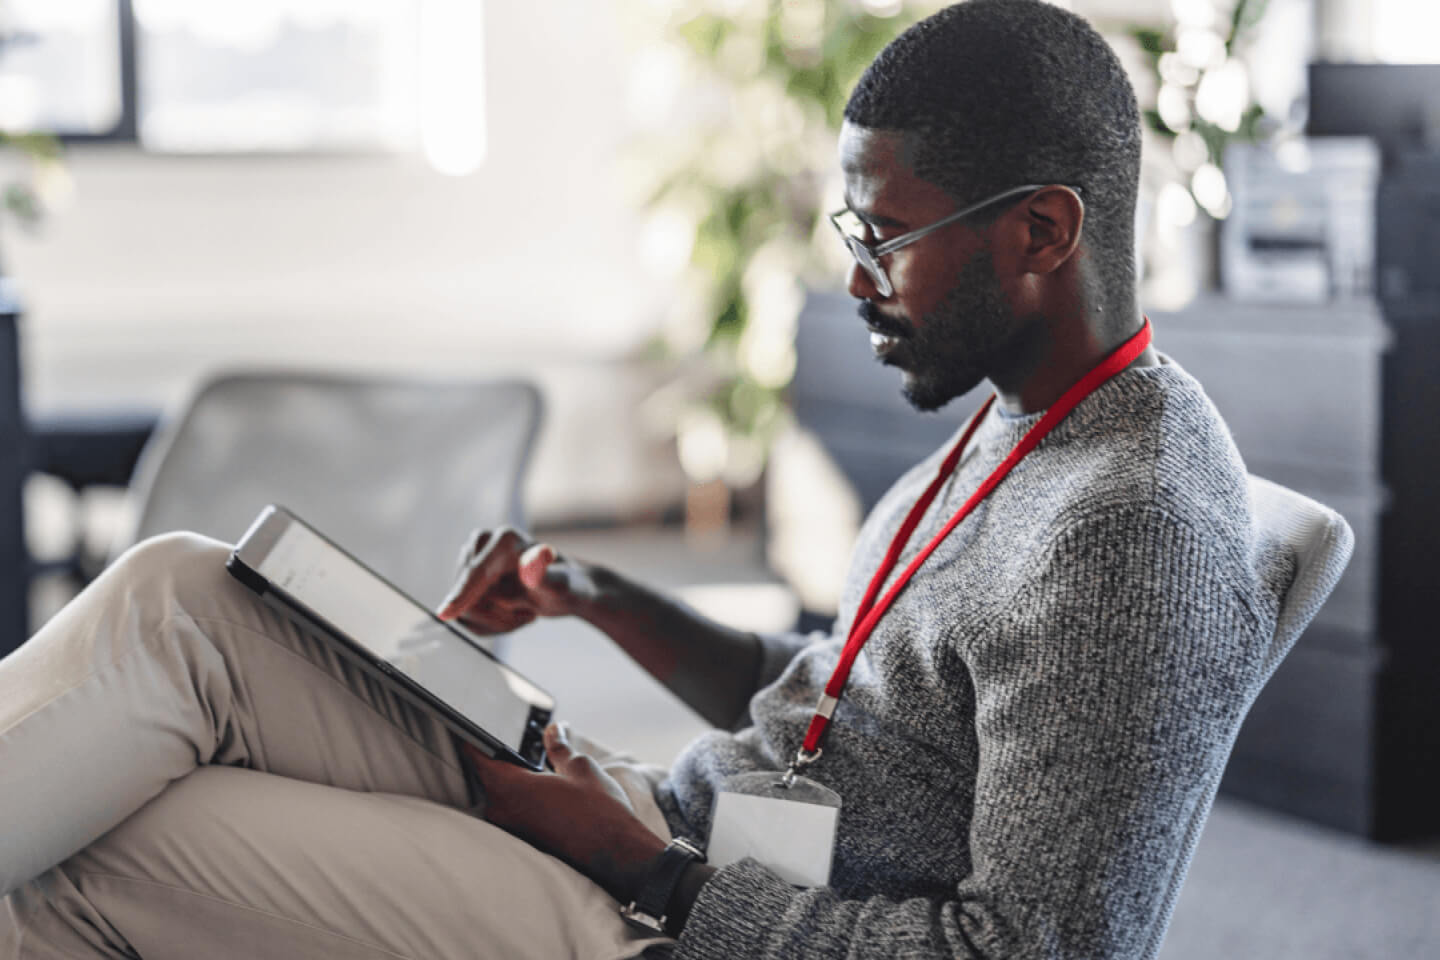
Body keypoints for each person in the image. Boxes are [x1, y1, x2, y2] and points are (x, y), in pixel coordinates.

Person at [0, 2, 1302, 958]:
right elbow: (850, 710)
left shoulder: (1129, 529)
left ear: (1042, 230)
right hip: (649, 816)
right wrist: (606, 600)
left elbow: (1034, 950)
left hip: (660, 918)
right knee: (180, 595)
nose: (854, 278)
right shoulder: (1018, 416)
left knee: (96, 849)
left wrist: (645, 867)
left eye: (885, 237)